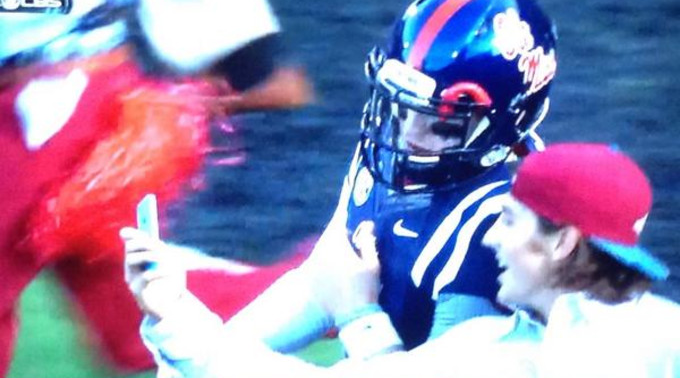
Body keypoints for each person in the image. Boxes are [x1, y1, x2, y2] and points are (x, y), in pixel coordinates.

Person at [178, 0, 558, 357]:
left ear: (508, 123)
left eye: (442, 125)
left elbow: (436, 368)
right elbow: (321, 280)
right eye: (401, 108)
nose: (409, 135)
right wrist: (208, 354)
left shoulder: (503, 217)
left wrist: (358, 313)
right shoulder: (390, 151)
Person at [123, 142, 680, 377]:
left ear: (562, 242)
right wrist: (172, 313)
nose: (491, 240)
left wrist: (358, 315)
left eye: (508, 221)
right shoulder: (486, 344)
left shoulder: (497, 360)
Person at [0, 0, 312, 376]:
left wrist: (247, 55)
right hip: (68, 92)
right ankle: (332, 289)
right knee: (133, 324)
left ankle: (335, 288)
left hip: (50, 99)